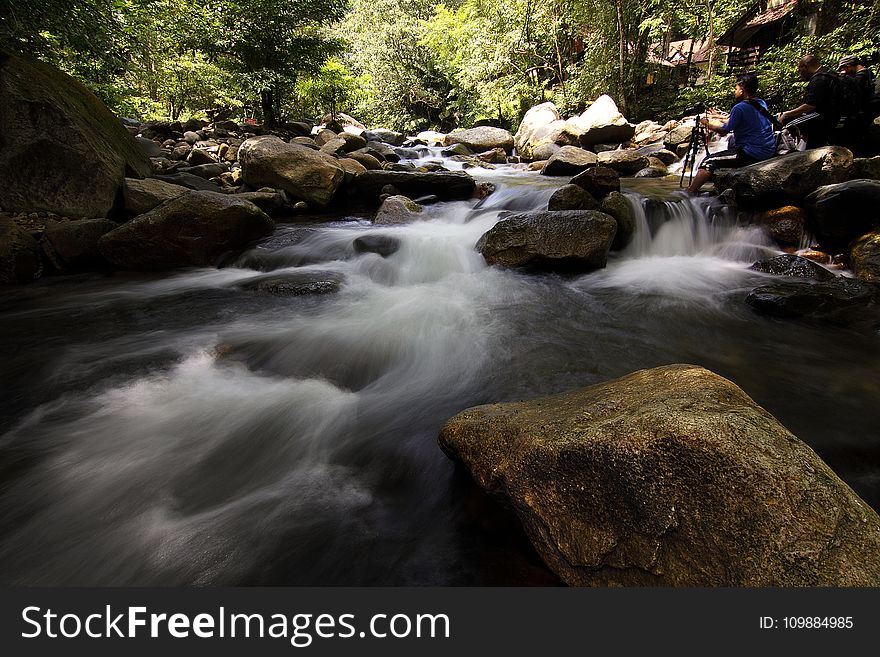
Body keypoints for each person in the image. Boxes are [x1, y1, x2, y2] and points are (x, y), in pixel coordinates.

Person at [686, 73, 776, 194]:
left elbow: (724, 131)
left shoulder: (739, 108)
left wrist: (707, 124)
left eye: (736, 88)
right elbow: (734, 121)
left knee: (708, 161)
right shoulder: (761, 103)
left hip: (752, 153)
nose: (735, 91)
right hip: (768, 150)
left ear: (742, 91)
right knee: (732, 143)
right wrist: (718, 117)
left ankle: (690, 191)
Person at [778, 54, 839, 149]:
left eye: (799, 70)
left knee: (789, 122)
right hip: (834, 115)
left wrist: (787, 114)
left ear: (806, 67)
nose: (799, 74)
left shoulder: (819, 79)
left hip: (823, 117)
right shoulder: (830, 73)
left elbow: (810, 105)